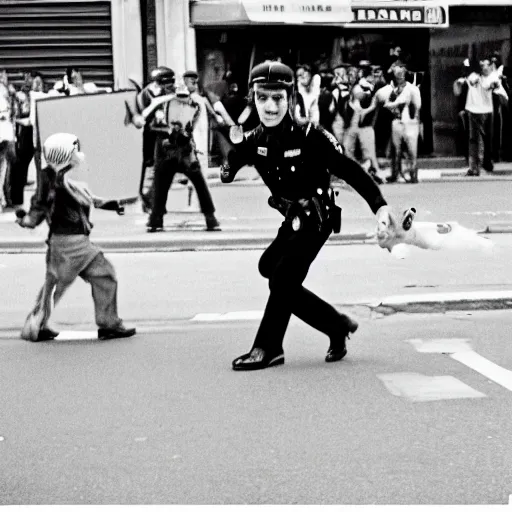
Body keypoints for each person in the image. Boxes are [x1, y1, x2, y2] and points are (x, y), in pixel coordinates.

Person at [220, 61, 392, 371]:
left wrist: (380, 206)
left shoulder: (310, 135)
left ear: (291, 98)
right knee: (270, 269)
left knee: (283, 279)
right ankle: (336, 325)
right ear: (253, 99)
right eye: (262, 98)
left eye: (278, 98)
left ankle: (268, 347)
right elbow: (235, 158)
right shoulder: (256, 137)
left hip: (317, 218)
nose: (270, 106)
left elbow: (349, 169)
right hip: (292, 219)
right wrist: (228, 168)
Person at [16, 132, 136, 342]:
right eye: (74, 150)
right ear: (63, 154)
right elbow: (43, 204)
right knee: (82, 280)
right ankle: (38, 325)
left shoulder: (60, 178)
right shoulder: (56, 179)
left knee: (90, 279)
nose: (78, 154)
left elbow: (86, 199)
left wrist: (113, 204)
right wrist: (27, 220)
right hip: (70, 244)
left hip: (69, 243)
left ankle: (38, 325)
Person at [131, 81, 221, 232]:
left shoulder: (163, 105)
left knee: (162, 185)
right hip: (182, 149)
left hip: (169, 150)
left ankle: (156, 219)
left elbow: (150, 124)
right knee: (197, 183)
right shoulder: (193, 105)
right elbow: (189, 126)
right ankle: (209, 217)